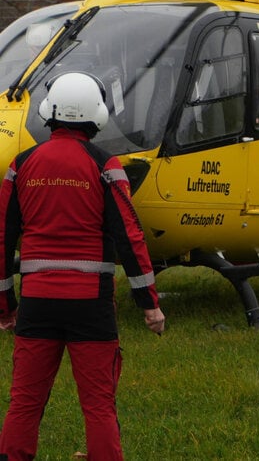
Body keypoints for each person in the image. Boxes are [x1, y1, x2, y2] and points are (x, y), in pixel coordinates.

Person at [0, 72, 165, 460]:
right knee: (98, 406)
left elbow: (3, 240)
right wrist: (149, 304)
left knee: (24, 404)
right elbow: (130, 236)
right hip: (91, 306)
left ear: (51, 113)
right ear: (96, 115)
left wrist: (5, 306)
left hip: (38, 304)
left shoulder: (20, 166)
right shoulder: (105, 165)